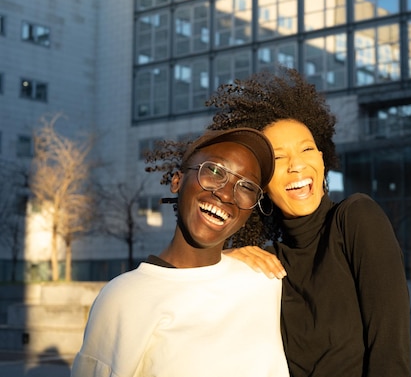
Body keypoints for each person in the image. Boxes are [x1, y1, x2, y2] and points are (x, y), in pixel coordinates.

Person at [208, 67, 411, 377]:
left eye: (306, 149)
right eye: (278, 158)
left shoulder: (355, 218)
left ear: (322, 157)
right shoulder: (267, 262)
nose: (297, 165)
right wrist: (223, 260)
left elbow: (390, 356)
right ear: (259, 181)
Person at [70, 128, 289, 377]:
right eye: (215, 171)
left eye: (246, 187)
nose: (227, 194)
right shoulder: (124, 297)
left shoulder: (262, 279)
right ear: (177, 181)